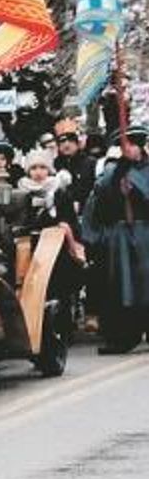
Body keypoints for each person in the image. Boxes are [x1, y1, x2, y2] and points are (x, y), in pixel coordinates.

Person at [82, 122, 149, 353]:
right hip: (120, 237)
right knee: (122, 287)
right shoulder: (112, 173)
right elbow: (97, 202)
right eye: (125, 145)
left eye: (133, 145)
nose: (129, 149)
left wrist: (138, 187)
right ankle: (122, 335)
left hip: (145, 234)